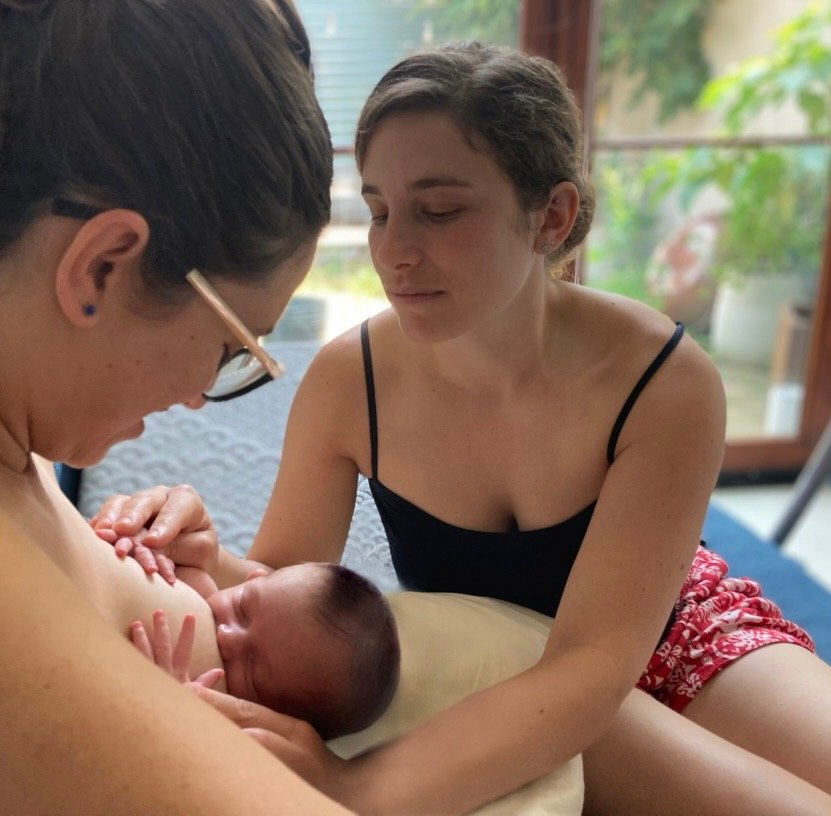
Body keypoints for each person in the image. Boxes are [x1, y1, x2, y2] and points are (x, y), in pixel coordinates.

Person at [93, 42, 831, 816]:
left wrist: (354, 788)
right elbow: (287, 590)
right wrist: (204, 553)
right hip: (510, 677)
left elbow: (596, 661)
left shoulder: (664, 382)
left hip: (675, 636)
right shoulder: (351, 381)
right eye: (379, 212)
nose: (393, 252)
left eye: (439, 211)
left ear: (551, 216)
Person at [0, 0, 356, 812]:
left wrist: (213, 570)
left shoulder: (30, 444)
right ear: (102, 267)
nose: (198, 398)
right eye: (232, 346)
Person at [127, 558, 400, 740]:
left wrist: (171, 710)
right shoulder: (195, 577)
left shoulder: (215, 728)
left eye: (251, 670)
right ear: (252, 579)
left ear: (268, 722)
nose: (226, 636)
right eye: (242, 609)